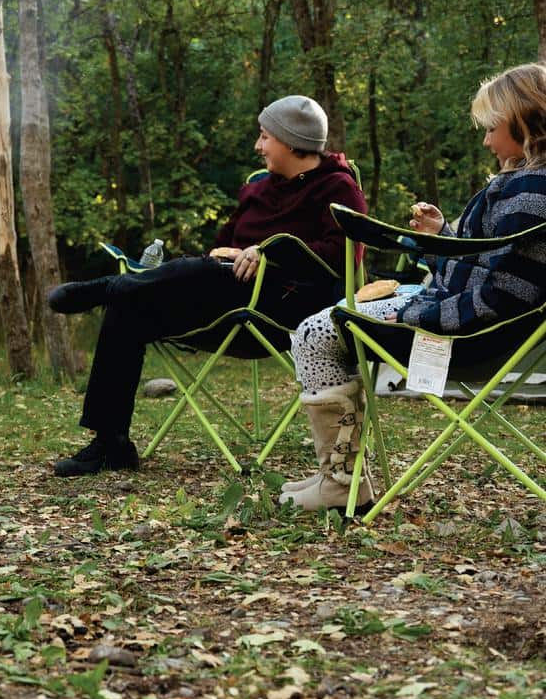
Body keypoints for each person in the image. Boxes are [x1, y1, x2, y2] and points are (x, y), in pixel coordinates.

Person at [48, 95, 367, 477]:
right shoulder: (260, 189)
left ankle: (109, 286)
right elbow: (219, 246)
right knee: (131, 307)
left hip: (282, 314)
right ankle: (110, 443)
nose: (258, 146)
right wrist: (229, 254)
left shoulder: (338, 189)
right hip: (225, 301)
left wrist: (269, 253)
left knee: (191, 275)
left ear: (291, 141)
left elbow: (342, 257)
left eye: (265, 137)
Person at [283, 63, 546, 512]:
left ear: (525, 121)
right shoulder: (521, 183)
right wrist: (442, 234)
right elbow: (483, 266)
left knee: (315, 332)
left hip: (464, 339)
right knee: (336, 317)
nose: (485, 140)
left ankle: (340, 480)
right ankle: (338, 473)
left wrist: (411, 315)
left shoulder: (530, 191)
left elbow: (505, 296)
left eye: (491, 128)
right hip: (472, 324)